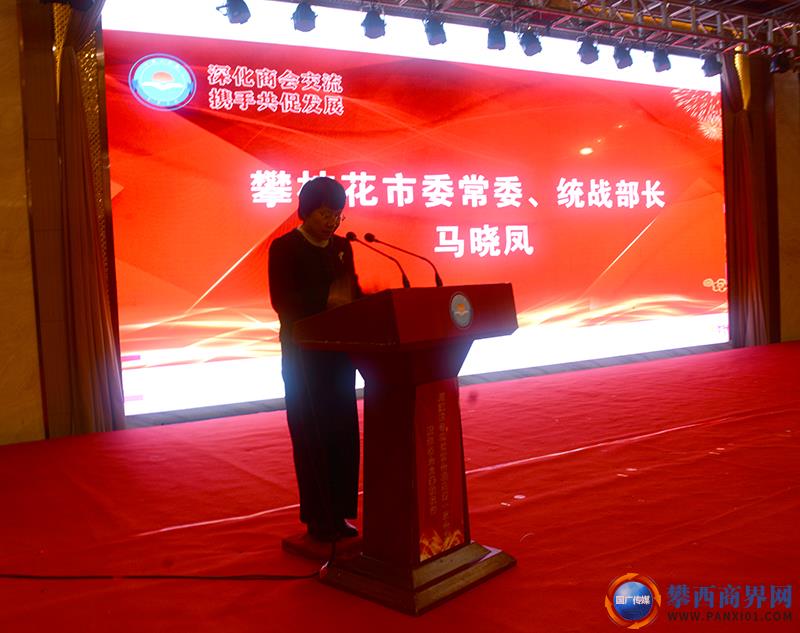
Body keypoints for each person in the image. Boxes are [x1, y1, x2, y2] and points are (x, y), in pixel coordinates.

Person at [267, 176, 362, 542]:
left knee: (342, 433)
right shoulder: (284, 248)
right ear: (306, 211)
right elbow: (283, 302)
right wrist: (327, 299)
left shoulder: (343, 247)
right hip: (303, 358)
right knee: (312, 434)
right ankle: (318, 518)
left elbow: (350, 292)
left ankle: (339, 513)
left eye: (337, 214)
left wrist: (366, 298)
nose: (332, 222)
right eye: (325, 213)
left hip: (339, 355)